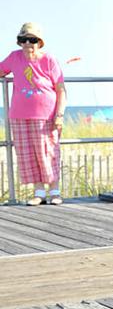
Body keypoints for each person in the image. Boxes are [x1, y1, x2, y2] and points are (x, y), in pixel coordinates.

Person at [0, 23, 66, 205]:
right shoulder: (14, 57)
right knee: (28, 154)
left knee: (49, 153)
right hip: (19, 115)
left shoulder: (49, 60)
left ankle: (54, 192)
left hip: (46, 115)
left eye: (33, 40)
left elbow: (61, 90)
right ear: (19, 42)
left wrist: (59, 115)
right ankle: (39, 193)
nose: (28, 43)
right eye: (24, 40)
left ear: (40, 42)